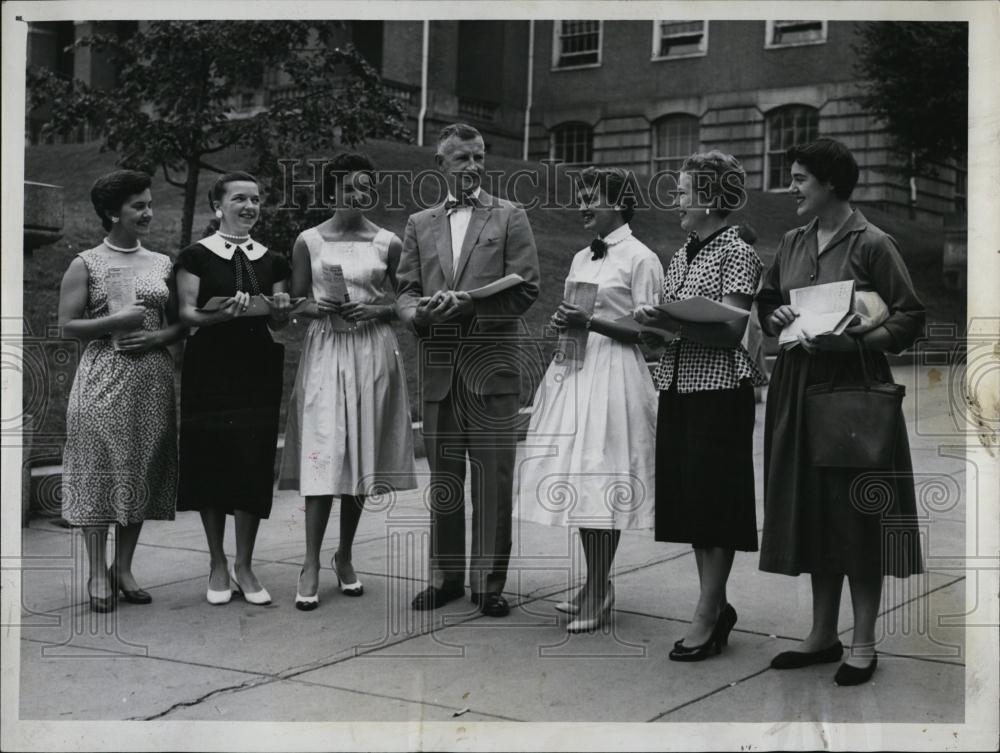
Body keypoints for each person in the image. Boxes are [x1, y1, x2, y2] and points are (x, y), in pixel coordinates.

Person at [756, 138, 925, 686]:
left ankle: (864, 641)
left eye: (801, 178)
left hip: (853, 391)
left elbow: (910, 319)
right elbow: (766, 303)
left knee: (858, 517)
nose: (792, 187)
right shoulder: (791, 240)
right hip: (798, 388)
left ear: (830, 183)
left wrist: (855, 343)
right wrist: (775, 313)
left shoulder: (874, 243)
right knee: (812, 512)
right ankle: (822, 634)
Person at [396, 122, 540, 617]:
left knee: (493, 480)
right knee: (445, 479)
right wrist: (418, 314)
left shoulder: (509, 215)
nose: (473, 167)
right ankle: (446, 577)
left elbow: (527, 288)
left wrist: (470, 307)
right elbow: (405, 292)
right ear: (440, 164)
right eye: (462, 158)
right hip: (438, 368)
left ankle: (488, 583)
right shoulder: (419, 222)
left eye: (479, 157)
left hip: (492, 368)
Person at [516, 166, 662, 632]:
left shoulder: (641, 258)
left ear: (618, 204)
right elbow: (577, 314)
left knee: (602, 478)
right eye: (581, 196)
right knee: (580, 479)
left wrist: (591, 323)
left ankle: (600, 588)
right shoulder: (582, 257)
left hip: (615, 377)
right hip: (576, 371)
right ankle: (594, 582)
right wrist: (565, 323)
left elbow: (652, 333)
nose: (582, 205)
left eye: (591, 198)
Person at [635, 151, 766, 661]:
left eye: (685, 193)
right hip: (680, 385)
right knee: (692, 502)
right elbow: (675, 327)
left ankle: (707, 613)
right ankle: (716, 604)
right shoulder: (684, 250)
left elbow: (733, 329)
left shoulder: (737, 251)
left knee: (716, 504)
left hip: (720, 391)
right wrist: (654, 327)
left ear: (711, 199)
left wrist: (674, 325)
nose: (678, 204)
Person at [278, 152, 417, 611]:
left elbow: (405, 303)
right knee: (323, 450)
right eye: (347, 187)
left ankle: (345, 554)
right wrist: (320, 308)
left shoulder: (388, 243)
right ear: (331, 191)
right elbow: (297, 302)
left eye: (364, 187)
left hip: (372, 351)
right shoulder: (309, 241)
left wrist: (374, 309)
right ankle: (311, 562)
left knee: (359, 454)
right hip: (325, 350)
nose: (357, 195)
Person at [58, 169, 184, 612]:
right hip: (102, 377)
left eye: (149, 204)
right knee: (99, 473)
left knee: (141, 472)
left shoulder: (162, 263)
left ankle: (124, 567)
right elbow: (67, 326)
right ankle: (96, 570)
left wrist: (155, 338)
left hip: (151, 379)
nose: (148, 213)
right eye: (139, 206)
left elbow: (179, 326)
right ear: (113, 213)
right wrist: (114, 323)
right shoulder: (86, 263)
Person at [175, 171, 292, 606]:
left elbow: (279, 319)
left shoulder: (273, 259)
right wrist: (218, 315)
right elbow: (187, 314)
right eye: (239, 199)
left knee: (252, 456)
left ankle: (244, 562)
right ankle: (217, 562)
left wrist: (281, 309)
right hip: (209, 364)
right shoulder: (196, 256)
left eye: (256, 199)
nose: (249, 207)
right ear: (217, 206)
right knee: (211, 455)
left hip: (255, 364)